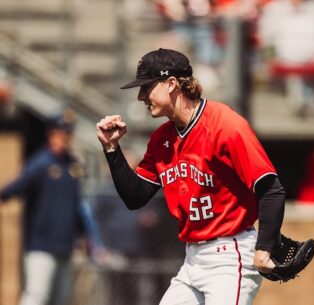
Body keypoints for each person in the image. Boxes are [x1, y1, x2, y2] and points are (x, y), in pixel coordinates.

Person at [96, 48, 286, 305]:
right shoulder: (162, 139)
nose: (141, 96)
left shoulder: (225, 124)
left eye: (147, 87)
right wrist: (112, 149)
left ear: (172, 83)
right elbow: (135, 196)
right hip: (193, 260)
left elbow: (271, 188)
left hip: (230, 255)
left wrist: (265, 247)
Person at [0, 111, 86, 305]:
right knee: (37, 296)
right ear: (51, 133)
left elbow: (76, 206)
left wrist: (82, 234)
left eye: (67, 133)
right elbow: (16, 186)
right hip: (41, 244)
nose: (64, 137)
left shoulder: (72, 165)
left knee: (61, 299)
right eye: (60, 132)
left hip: (65, 244)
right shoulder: (40, 163)